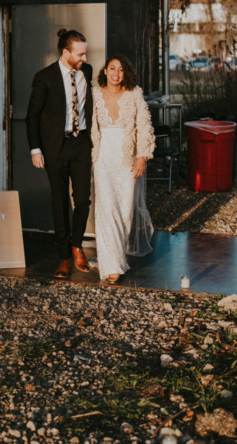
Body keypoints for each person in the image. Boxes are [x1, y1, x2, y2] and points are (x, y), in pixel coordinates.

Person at [26, 29, 94, 280]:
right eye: (80, 54)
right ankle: (63, 257)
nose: (84, 58)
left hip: (81, 144)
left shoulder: (86, 72)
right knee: (60, 203)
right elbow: (32, 116)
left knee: (83, 200)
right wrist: (35, 149)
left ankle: (77, 246)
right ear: (66, 53)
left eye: (85, 53)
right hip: (55, 147)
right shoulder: (44, 78)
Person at [90, 54, 155, 284]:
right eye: (112, 68)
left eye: (121, 70)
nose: (116, 73)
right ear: (105, 71)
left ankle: (118, 256)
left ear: (125, 74)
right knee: (106, 209)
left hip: (127, 158)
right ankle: (111, 266)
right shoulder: (95, 94)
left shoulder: (134, 94)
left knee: (125, 211)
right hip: (103, 159)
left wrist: (142, 157)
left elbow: (145, 127)